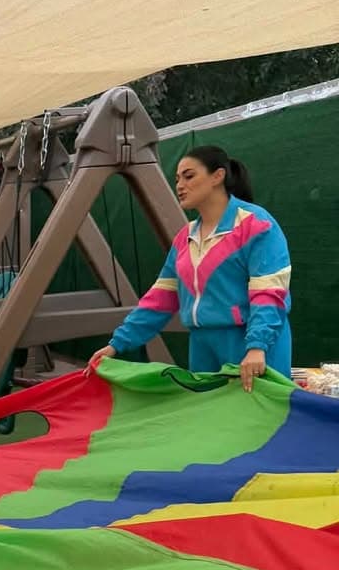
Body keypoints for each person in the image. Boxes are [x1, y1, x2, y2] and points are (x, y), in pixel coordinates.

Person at [90, 147, 292, 391]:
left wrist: (257, 346)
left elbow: (269, 291)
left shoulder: (255, 224)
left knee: (259, 425)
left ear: (217, 177)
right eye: (177, 179)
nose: (180, 186)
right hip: (202, 347)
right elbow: (160, 299)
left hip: (250, 347)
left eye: (189, 176)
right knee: (207, 424)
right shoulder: (185, 237)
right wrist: (116, 345)